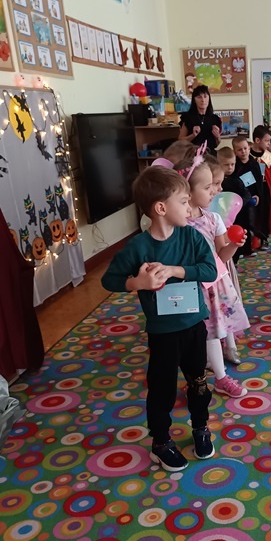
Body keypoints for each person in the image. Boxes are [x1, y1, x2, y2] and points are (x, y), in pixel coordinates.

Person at [101, 167, 217, 472]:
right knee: (162, 388)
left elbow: (210, 270)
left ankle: (201, 427)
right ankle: (161, 442)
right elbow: (109, 280)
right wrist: (136, 283)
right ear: (161, 208)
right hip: (163, 333)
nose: (190, 208)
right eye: (184, 202)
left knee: (198, 382)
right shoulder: (138, 247)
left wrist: (176, 270)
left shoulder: (191, 236)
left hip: (194, 326)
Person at [181, 146, 250, 392]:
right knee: (196, 334)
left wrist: (234, 245)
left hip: (213, 284)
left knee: (211, 332)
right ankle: (202, 375)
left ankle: (220, 377)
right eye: (208, 187)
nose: (214, 191)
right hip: (190, 286)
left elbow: (221, 255)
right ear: (187, 191)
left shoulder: (213, 219)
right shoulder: (178, 223)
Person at [233, 135, 264, 254]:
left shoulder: (254, 164)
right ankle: (241, 249)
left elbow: (259, 182)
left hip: (253, 199)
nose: (243, 151)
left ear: (249, 148)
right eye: (240, 149)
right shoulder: (235, 166)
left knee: (252, 222)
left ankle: (251, 246)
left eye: (245, 148)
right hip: (240, 200)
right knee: (241, 223)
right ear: (235, 152)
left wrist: (258, 195)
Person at [250, 125, 271, 238]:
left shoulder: (269, 157)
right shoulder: (247, 155)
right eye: (266, 141)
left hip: (265, 189)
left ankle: (264, 237)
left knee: (265, 213)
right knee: (253, 214)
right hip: (252, 189)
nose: (269, 144)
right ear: (257, 140)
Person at [179, 84, 222, 153]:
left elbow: (217, 144)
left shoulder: (215, 118)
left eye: (205, 96)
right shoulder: (188, 117)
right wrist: (193, 135)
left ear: (209, 98)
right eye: (199, 97)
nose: (203, 100)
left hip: (210, 154)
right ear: (194, 100)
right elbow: (180, 141)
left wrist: (217, 137)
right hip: (193, 154)